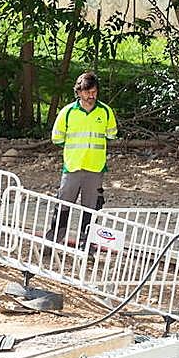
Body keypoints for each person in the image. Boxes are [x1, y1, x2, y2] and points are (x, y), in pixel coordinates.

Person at [47, 71, 118, 244]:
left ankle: (85, 244)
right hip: (72, 167)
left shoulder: (106, 112)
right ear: (78, 92)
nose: (91, 96)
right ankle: (54, 241)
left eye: (94, 92)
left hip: (95, 168)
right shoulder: (67, 112)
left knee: (92, 209)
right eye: (87, 92)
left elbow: (111, 134)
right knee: (63, 205)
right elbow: (57, 138)